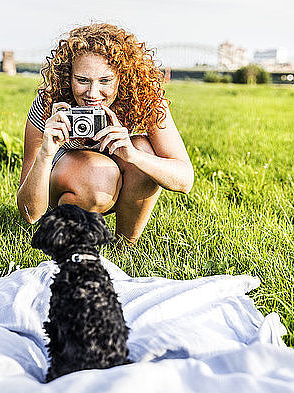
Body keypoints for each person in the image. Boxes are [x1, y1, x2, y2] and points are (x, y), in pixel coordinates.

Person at [17, 23, 194, 244]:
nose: (92, 94)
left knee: (143, 150)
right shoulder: (49, 104)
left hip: (121, 182)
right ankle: (69, 239)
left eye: (105, 80)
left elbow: (185, 180)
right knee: (98, 174)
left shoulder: (146, 100)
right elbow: (29, 213)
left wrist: (132, 155)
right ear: (68, 75)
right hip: (71, 187)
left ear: (123, 76)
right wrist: (45, 153)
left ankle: (125, 246)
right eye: (82, 80)